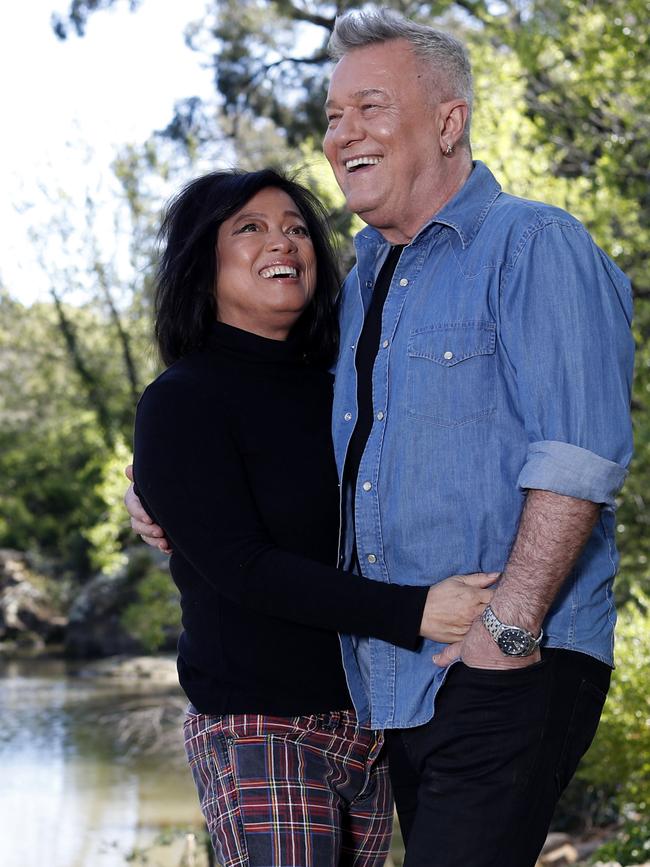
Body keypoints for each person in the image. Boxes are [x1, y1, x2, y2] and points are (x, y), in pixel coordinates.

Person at [128, 10, 634, 866]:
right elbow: (259, 487)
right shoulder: (369, 289)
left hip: (506, 657)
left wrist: (507, 631)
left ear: (448, 120)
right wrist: (156, 491)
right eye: (332, 116)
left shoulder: (531, 243)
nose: (343, 133)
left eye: (370, 106)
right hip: (391, 690)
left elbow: (577, 456)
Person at [132, 167, 495, 867]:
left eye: (297, 228)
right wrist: (417, 610)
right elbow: (245, 567)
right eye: (252, 228)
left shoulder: (350, 388)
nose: (285, 242)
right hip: (259, 724)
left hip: (369, 719)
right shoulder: (182, 400)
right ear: (201, 263)